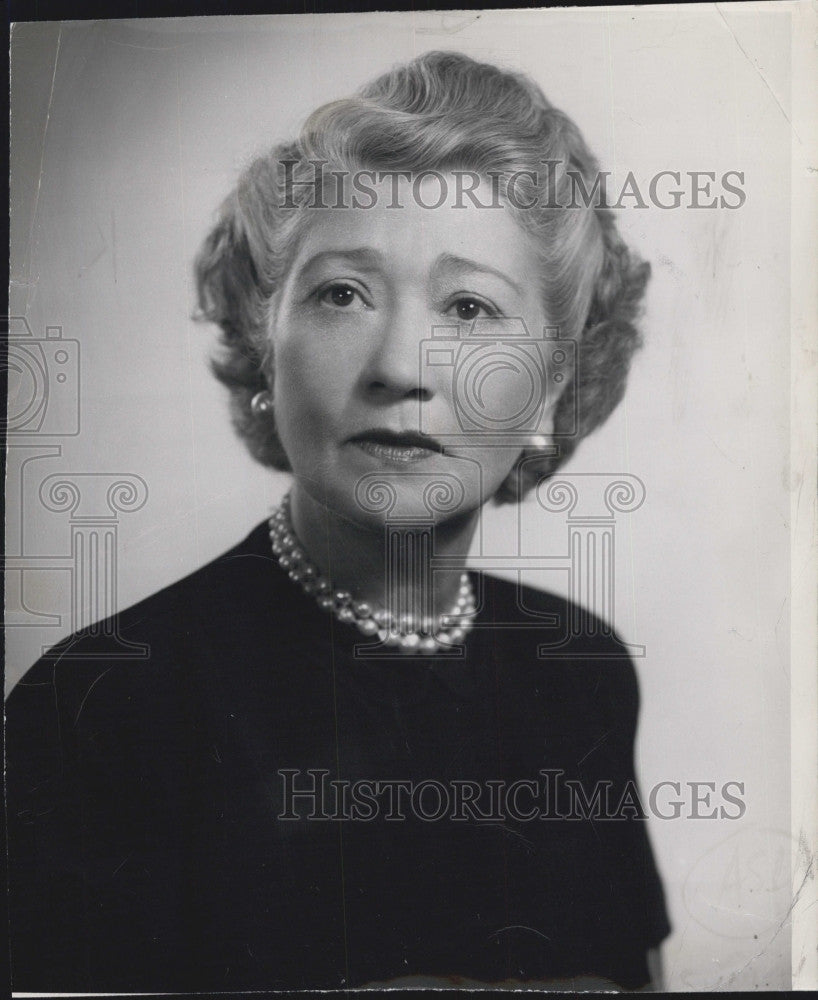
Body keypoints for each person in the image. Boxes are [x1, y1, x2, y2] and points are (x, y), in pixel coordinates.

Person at [6, 51, 670, 991]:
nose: (401, 363)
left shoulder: (582, 673)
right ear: (261, 345)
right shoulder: (100, 707)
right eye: (341, 294)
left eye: (471, 306)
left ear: (554, 385)